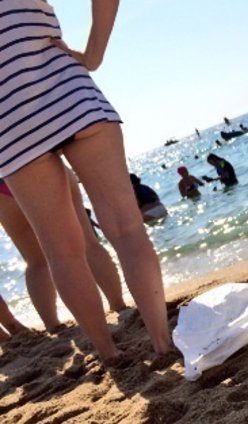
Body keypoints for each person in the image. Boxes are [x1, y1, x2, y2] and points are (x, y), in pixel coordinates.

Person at [1, 0, 171, 364]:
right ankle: (162, 342)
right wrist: (93, 54)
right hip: (70, 93)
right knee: (127, 229)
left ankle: (108, 353)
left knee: (61, 252)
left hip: (12, 123)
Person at [0, 172, 128, 332]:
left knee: (36, 262)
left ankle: (52, 325)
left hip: (4, 184)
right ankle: (118, 305)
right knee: (88, 244)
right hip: (42, 166)